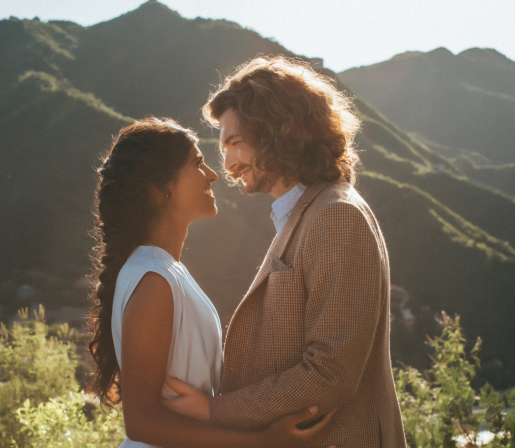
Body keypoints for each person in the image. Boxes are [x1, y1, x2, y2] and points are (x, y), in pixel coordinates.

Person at [164, 56, 407, 447]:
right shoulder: (309, 213)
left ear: (278, 132)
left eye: (235, 144)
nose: (227, 164)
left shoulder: (336, 216)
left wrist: (214, 411)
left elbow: (330, 374)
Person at [87, 117, 335, 448]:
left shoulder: (164, 270)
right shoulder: (154, 280)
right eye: (197, 164)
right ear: (160, 189)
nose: (213, 175)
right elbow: (142, 422)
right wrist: (263, 442)